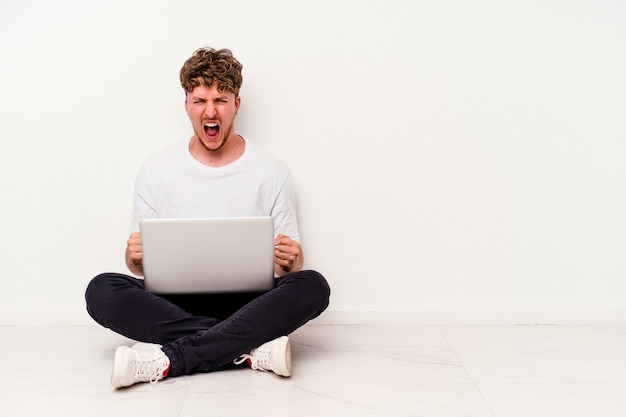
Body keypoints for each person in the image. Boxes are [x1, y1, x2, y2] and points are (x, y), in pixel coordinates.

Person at [84, 47, 330, 388]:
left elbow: (290, 265)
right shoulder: (156, 169)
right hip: (174, 303)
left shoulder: (272, 171)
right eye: (200, 100)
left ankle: (169, 359)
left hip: (248, 304)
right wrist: (134, 257)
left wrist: (291, 261)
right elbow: (138, 268)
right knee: (102, 290)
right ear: (186, 106)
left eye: (221, 100)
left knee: (312, 286)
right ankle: (248, 349)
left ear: (236, 105)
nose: (210, 111)